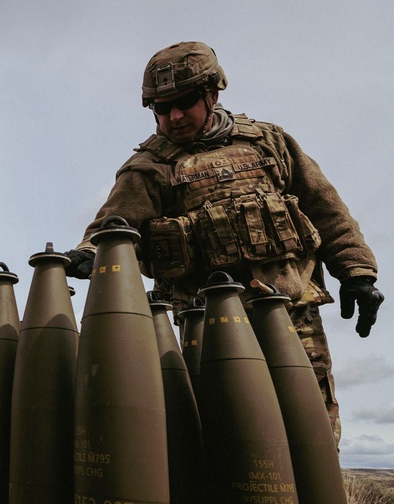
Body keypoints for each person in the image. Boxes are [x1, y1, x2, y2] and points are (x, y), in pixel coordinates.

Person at [65, 41, 383, 443]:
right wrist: (88, 255)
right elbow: (112, 227)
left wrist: (356, 272)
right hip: (205, 322)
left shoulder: (270, 143)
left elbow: (327, 210)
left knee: (311, 427)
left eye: (184, 102)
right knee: (225, 432)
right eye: (162, 109)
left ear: (212, 93)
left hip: (289, 312)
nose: (174, 116)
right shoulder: (149, 167)